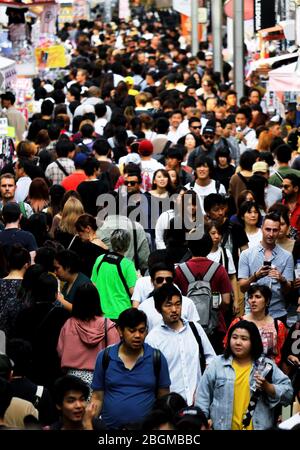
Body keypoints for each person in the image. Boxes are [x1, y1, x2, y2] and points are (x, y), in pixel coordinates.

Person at [196, 320, 293, 430]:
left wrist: (268, 387)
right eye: (234, 337)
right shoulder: (217, 364)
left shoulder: (266, 366)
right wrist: (201, 424)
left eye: (244, 339)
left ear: (254, 342)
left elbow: (289, 394)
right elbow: (202, 399)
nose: (238, 342)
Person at [90, 308, 171, 429]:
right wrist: (90, 425)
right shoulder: (105, 357)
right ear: (120, 331)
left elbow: (163, 400)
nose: (138, 335)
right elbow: (97, 398)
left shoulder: (157, 358)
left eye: (142, 331)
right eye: (132, 331)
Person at [146, 284, 216, 405]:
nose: (174, 309)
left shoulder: (195, 328)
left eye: (178, 304)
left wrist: (203, 387)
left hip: (199, 402)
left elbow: (211, 358)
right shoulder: (153, 339)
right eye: (168, 305)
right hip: (170, 405)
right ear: (158, 309)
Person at [57, 283, 120, 387]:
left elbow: (60, 351)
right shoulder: (107, 325)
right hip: (99, 380)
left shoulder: (69, 324)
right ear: (97, 301)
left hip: (71, 381)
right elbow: (115, 354)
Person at [238, 212, 294, 324]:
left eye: (275, 230)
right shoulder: (247, 254)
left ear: (279, 231)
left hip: (277, 312)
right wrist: (255, 277)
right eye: (268, 229)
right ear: (261, 229)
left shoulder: (287, 256)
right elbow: (242, 287)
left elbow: (288, 291)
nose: (271, 234)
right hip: (252, 313)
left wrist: (282, 280)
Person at [224, 284, 287, 365]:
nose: (253, 300)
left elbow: (281, 354)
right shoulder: (238, 322)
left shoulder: (278, 325)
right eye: (250, 297)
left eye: (258, 297)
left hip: (268, 371)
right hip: (241, 368)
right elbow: (227, 347)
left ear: (267, 301)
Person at [138, 262, 199, 330]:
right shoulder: (143, 307)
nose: (164, 282)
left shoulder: (188, 303)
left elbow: (195, 329)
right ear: (152, 281)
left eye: (168, 280)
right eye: (159, 280)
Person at [91, 229, 137, 320]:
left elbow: (93, 285)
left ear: (111, 242)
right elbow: (133, 292)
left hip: (101, 313)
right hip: (122, 314)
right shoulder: (128, 265)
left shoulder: (100, 259)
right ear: (127, 245)